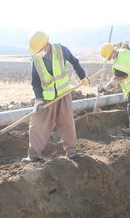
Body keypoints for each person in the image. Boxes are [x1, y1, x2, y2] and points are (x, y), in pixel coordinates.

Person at [22, 31, 90, 163]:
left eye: (39, 50)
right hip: (46, 97)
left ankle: (71, 151)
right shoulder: (36, 58)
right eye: (35, 51)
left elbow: (75, 62)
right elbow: (35, 81)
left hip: (63, 94)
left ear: (46, 45)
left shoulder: (61, 50)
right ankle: (33, 155)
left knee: (67, 123)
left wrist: (82, 76)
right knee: (37, 125)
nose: (37, 52)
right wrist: (39, 99)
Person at [98, 43, 130, 138]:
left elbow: (115, 81)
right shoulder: (124, 51)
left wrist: (104, 88)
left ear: (112, 53)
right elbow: (125, 43)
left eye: (109, 57)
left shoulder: (119, 65)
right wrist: (116, 44)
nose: (110, 59)